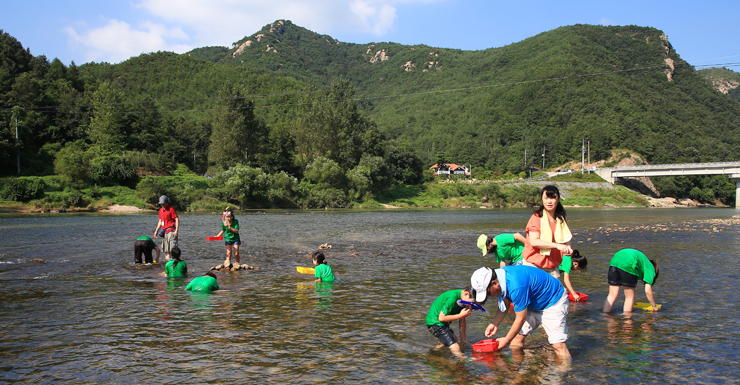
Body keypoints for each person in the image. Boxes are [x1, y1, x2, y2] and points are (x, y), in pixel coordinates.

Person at [470, 265, 571, 357]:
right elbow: (505, 303)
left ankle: (566, 373)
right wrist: (494, 323)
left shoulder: (516, 285)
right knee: (515, 343)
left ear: (495, 283)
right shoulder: (499, 277)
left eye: (487, 293)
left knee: (558, 345)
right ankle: (518, 373)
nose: (488, 296)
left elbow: (521, 319)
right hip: (532, 302)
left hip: (552, 301)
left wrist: (506, 340)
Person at [521, 185, 573, 278]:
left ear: (558, 199)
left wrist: (568, 248)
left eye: (553, 198)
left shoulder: (561, 219)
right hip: (533, 265)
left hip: (553, 266)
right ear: (542, 199)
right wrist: (557, 245)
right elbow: (534, 241)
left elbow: (566, 238)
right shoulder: (537, 217)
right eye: (546, 198)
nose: (549, 201)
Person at [603, 249, 660, 313]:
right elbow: (647, 291)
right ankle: (627, 321)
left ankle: (606, 317)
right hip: (629, 262)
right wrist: (654, 306)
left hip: (615, 260)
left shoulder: (643, 262)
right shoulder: (651, 269)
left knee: (612, 295)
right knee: (629, 297)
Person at [425, 286, 473, 357]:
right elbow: (441, 318)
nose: (471, 306)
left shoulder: (463, 300)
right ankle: (463, 359)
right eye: (472, 303)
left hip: (442, 324)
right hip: (435, 323)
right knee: (455, 346)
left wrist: (463, 340)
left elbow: (462, 319)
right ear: (466, 294)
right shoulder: (452, 298)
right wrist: (460, 315)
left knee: (455, 339)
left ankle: (435, 350)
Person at [153, 195, 179, 262]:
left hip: (171, 231)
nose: (162, 205)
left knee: (173, 249)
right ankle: (167, 263)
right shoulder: (160, 210)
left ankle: (174, 263)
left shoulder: (171, 209)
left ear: (167, 202)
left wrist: (176, 230)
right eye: (161, 204)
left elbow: (176, 219)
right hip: (164, 232)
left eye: (163, 203)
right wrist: (156, 231)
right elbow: (160, 221)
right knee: (166, 250)